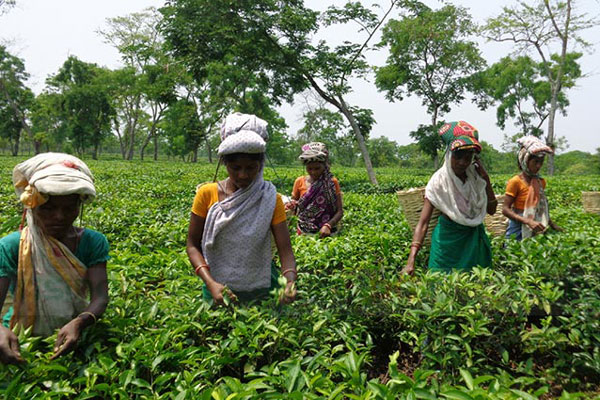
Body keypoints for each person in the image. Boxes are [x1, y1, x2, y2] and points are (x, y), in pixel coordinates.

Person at [0, 153, 109, 364]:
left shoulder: (92, 243)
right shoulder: (11, 247)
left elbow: (100, 297)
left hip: (77, 336)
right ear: (32, 206)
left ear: (79, 206)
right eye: (48, 208)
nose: (59, 216)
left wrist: (79, 322)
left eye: (69, 208)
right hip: (18, 341)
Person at [186, 112, 297, 305]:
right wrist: (210, 282)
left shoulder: (271, 198)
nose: (243, 175)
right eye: (235, 168)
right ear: (224, 163)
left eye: (250, 168)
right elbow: (192, 245)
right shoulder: (206, 194)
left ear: (260, 164)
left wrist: (289, 282)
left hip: (264, 285)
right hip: (218, 288)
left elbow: (285, 251)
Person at [402, 121, 497, 275]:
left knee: (476, 290)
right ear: (449, 154)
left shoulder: (476, 178)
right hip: (447, 244)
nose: (462, 162)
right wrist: (411, 260)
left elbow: (492, 210)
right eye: (458, 156)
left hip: (473, 241)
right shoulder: (438, 181)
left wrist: (486, 180)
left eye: (468, 157)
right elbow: (423, 223)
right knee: (440, 288)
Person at [503, 135, 563, 240]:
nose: (539, 166)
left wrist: (553, 225)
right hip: (518, 225)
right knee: (512, 250)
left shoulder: (540, 182)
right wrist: (527, 221)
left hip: (536, 224)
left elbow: (540, 209)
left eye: (541, 162)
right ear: (525, 161)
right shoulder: (516, 182)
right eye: (535, 162)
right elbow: (505, 209)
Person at [287, 142, 343, 237]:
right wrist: (291, 205)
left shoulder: (332, 182)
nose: (313, 172)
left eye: (317, 168)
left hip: (328, 232)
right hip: (303, 231)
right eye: (309, 168)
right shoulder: (299, 181)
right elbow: (295, 205)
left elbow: (340, 211)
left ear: (324, 166)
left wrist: (328, 225)